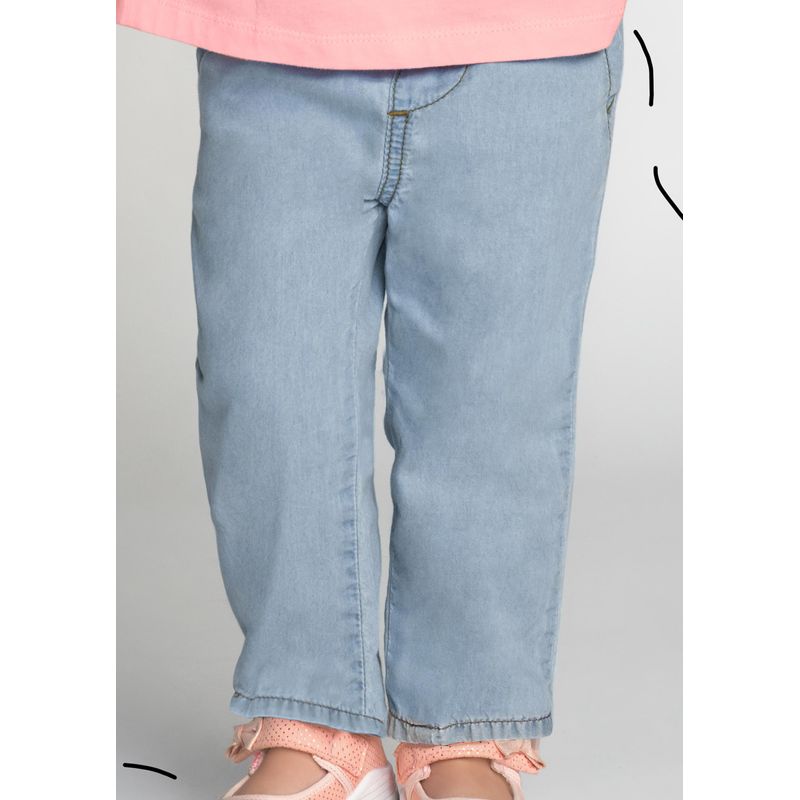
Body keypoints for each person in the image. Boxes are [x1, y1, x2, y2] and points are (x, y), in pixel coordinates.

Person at [117, 2, 626, 799]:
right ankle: (313, 715)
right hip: (278, 38)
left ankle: (461, 729)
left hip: (523, 45)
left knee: (492, 405)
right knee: (268, 387)